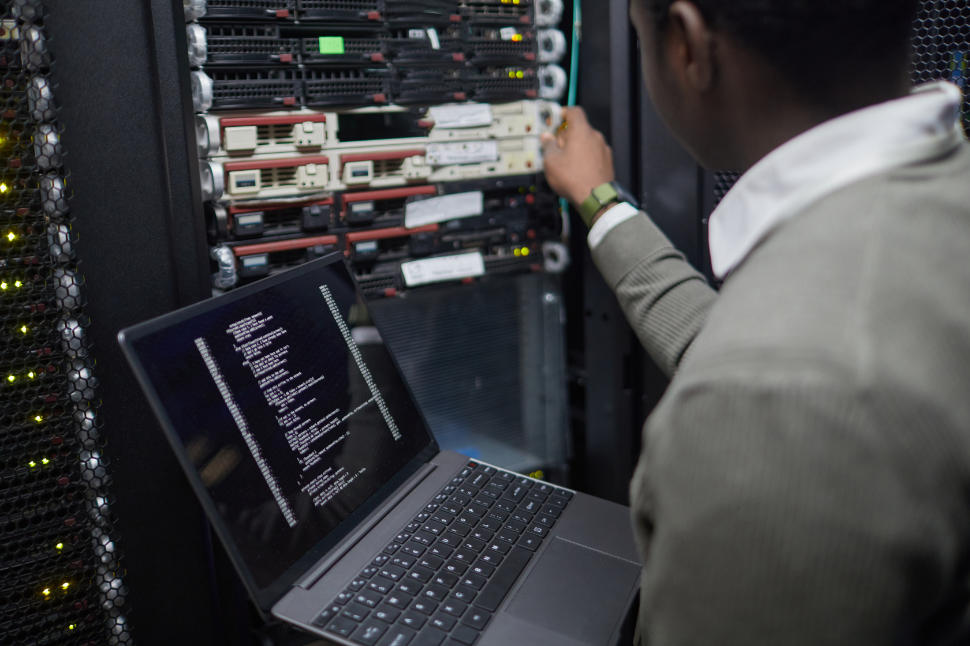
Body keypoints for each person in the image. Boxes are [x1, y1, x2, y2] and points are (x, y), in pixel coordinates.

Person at [541, 1, 970, 644]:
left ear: (688, 46)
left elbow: (765, 385)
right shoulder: (937, 195)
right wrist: (600, 202)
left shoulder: (773, 399)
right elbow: (737, 346)